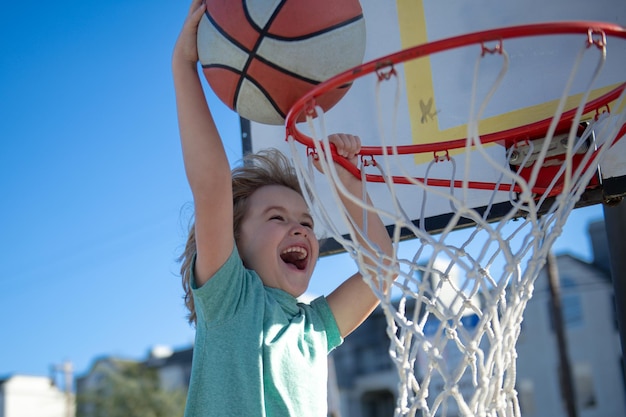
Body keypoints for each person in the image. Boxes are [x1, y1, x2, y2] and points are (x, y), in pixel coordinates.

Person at [172, 1, 393, 416]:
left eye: (307, 222)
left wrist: (348, 185)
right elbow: (212, 186)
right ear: (234, 241)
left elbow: (380, 270)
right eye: (277, 217)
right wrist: (184, 69)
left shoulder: (315, 329)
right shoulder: (229, 300)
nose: (301, 229)